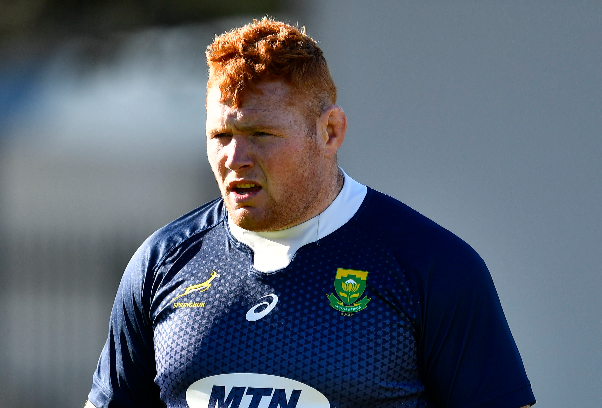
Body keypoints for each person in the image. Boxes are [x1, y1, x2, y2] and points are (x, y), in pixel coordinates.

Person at [86, 18, 535, 408]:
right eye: (221, 136)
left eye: (260, 133)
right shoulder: (162, 263)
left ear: (330, 131)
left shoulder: (431, 267)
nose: (235, 157)